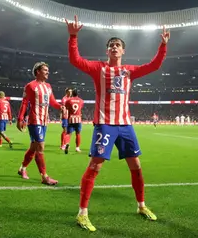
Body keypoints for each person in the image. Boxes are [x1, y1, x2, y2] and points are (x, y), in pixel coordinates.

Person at [66, 15, 170, 231]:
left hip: (125, 125)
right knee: (95, 166)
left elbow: (154, 66)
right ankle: (82, 213)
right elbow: (75, 61)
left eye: (118, 45)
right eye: (111, 45)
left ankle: (141, 205)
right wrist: (73, 37)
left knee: (136, 166)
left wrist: (163, 45)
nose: (114, 47)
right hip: (104, 124)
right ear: (107, 51)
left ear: (123, 51)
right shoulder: (99, 68)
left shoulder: (129, 71)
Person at [16, 62, 64, 185]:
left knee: (33, 147)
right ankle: (44, 176)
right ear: (38, 71)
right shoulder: (30, 86)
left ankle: (22, 168)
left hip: (44, 121)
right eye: (45, 70)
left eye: (48, 70)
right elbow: (25, 103)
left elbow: (52, 101)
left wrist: (60, 107)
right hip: (34, 120)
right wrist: (20, 119)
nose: (48, 72)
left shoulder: (48, 86)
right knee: (40, 147)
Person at [64, 89, 84, 154]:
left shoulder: (68, 100)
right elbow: (80, 108)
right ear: (78, 94)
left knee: (68, 133)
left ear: (72, 94)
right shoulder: (81, 101)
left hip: (71, 119)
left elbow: (67, 108)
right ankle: (77, 148)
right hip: (78, 119)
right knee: (78, 133)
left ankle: (67, 144)